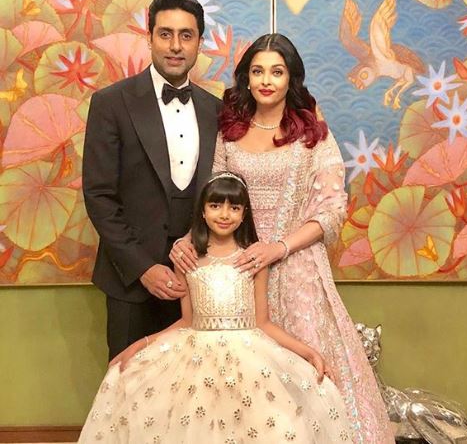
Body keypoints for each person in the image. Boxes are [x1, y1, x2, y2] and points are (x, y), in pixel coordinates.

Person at [171, 34, 394, 443]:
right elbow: (216, 196)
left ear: (291, 78)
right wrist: (188, 239)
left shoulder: (312, 133)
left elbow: (332, 209)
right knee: (240, 383)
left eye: (277, 71)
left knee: (307, 378)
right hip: (238, 268)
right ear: (246, 78)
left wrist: (279, 247)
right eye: (257, 71)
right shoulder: (230, 132)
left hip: (297, 268)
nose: (266, 81)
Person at [78, 172, 355, 443]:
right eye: (215, 206)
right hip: (196, 357)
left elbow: (263, 323)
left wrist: (308, 352)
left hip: (249, 357)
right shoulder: (188, 259)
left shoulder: (253, 259)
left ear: (244, 214)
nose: (224, 215)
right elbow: (186, 321)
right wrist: (142, 344)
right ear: (202, 211)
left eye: (234, 208)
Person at [82, 0, 221, 360]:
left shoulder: (216, 111)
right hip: (130, 281)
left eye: (186, 35)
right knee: (129, 384)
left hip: (200, 278)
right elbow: (98, 195)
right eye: (165, 34)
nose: (175, 46)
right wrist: (143, 268)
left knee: (194, 384)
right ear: (149, 38)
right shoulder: (111, 103)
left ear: (199, 43)